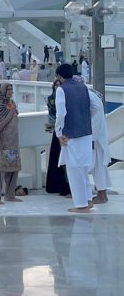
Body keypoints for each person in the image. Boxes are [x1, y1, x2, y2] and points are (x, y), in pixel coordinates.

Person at [55, 63, 94, 213]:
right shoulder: (83, 87)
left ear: (59, 77)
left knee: (74, 169)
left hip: (71, 134)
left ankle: (81, 204)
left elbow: (61, 113)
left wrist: (59, 133)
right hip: (86, 132)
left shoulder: (61, 90)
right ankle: (88, 199)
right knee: (84, 168)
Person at [0, 83, 21, 204]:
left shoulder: (12, 104)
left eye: (11, 89)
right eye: (8, 89)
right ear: (2, 91)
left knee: (13, 169)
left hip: (13, 141)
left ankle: (10, 195)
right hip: (1, 142)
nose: (11, 92)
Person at [45, 79, 71, 197]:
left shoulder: (67, 98)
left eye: (59, 85)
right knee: (56, 158)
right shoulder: (50, 99)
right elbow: (51, 115)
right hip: (57, 131)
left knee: (65, 157)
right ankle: (57, 185)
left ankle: (67, 186)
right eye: (55, 85)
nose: (57, 87)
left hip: (65, 131)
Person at [89, 86, 110, 205]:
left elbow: (94, 120)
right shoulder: (93, 96)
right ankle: (102, 194)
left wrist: (91, 139)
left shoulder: (90, 98)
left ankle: (101, 194)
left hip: (96, 139)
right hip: (99, 138)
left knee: (98, 167)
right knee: (100, 167)